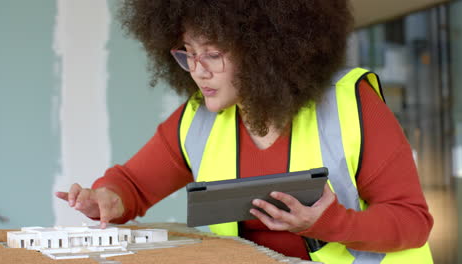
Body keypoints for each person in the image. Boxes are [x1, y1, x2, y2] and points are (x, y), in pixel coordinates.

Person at [56, 0, 434, 262]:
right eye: (187, 52)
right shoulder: (198, 119)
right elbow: (133, 186)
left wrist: (331, 224)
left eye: (212, 54)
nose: (196, 70)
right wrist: (106, 198)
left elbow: (414, 223)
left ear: (265, 49)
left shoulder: (352, 105)